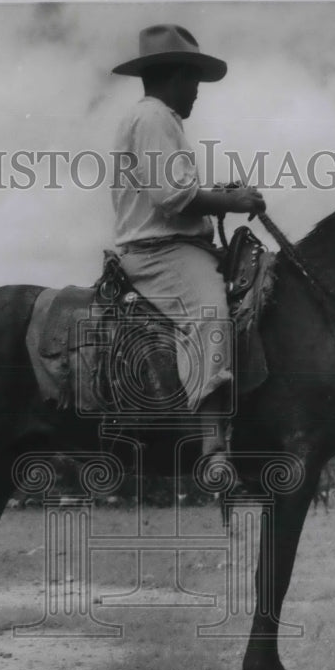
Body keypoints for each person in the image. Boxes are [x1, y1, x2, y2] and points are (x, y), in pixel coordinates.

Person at [110, 24, 265, 471]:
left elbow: (176, 192)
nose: (198, 91)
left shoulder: (158, 120)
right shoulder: (153, 118)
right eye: (194, 80)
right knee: (209, 314)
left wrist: (218, 194)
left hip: (177, 245)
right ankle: (213, 446)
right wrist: (231, 201)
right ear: (175, 75)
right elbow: (172, 197)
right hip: (161, 253)